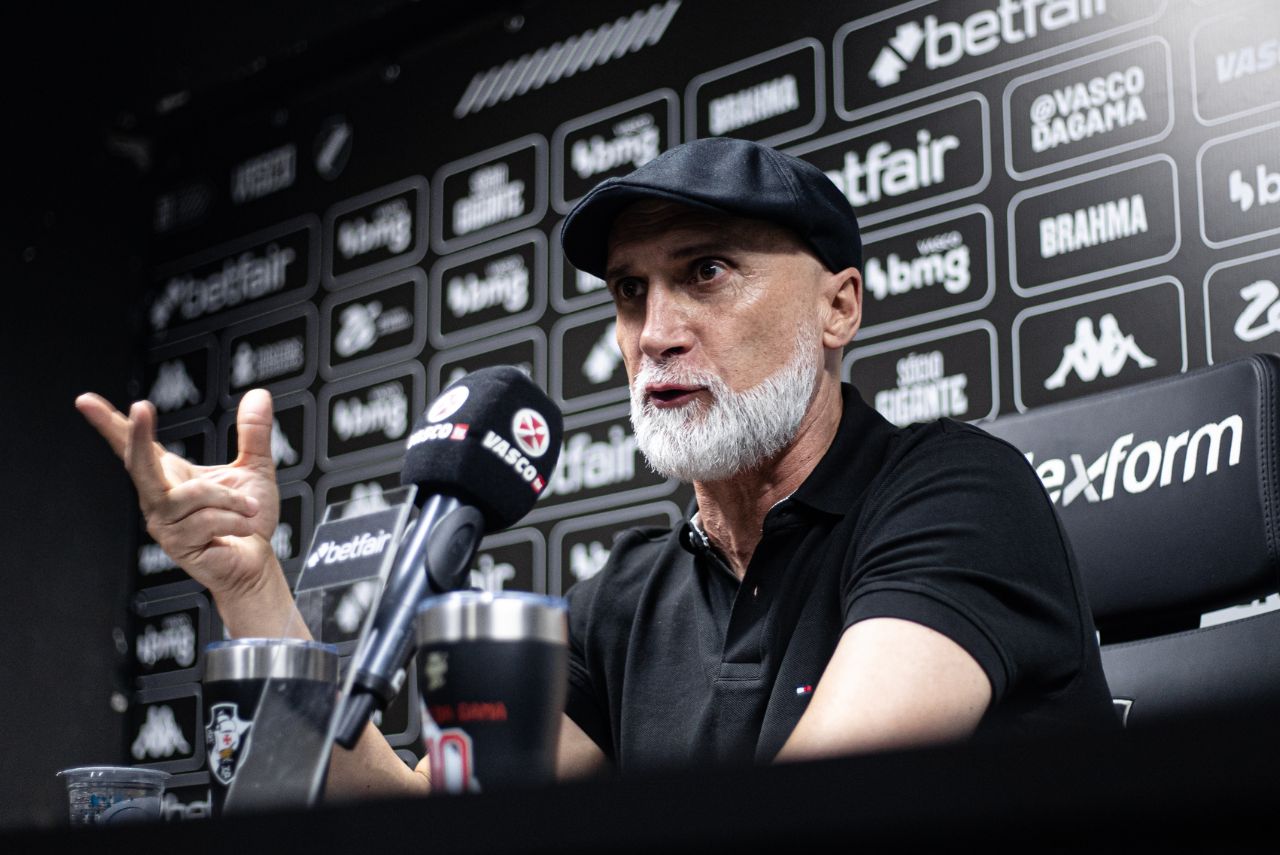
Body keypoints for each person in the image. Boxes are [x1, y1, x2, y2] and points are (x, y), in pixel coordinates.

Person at [76, 137, 1115, 791]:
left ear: (838, 306)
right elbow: (423, 812)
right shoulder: (625, 591)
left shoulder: (952, 492)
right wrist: (252, 589)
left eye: (706, 272)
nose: (654, 331)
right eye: (628, 292)